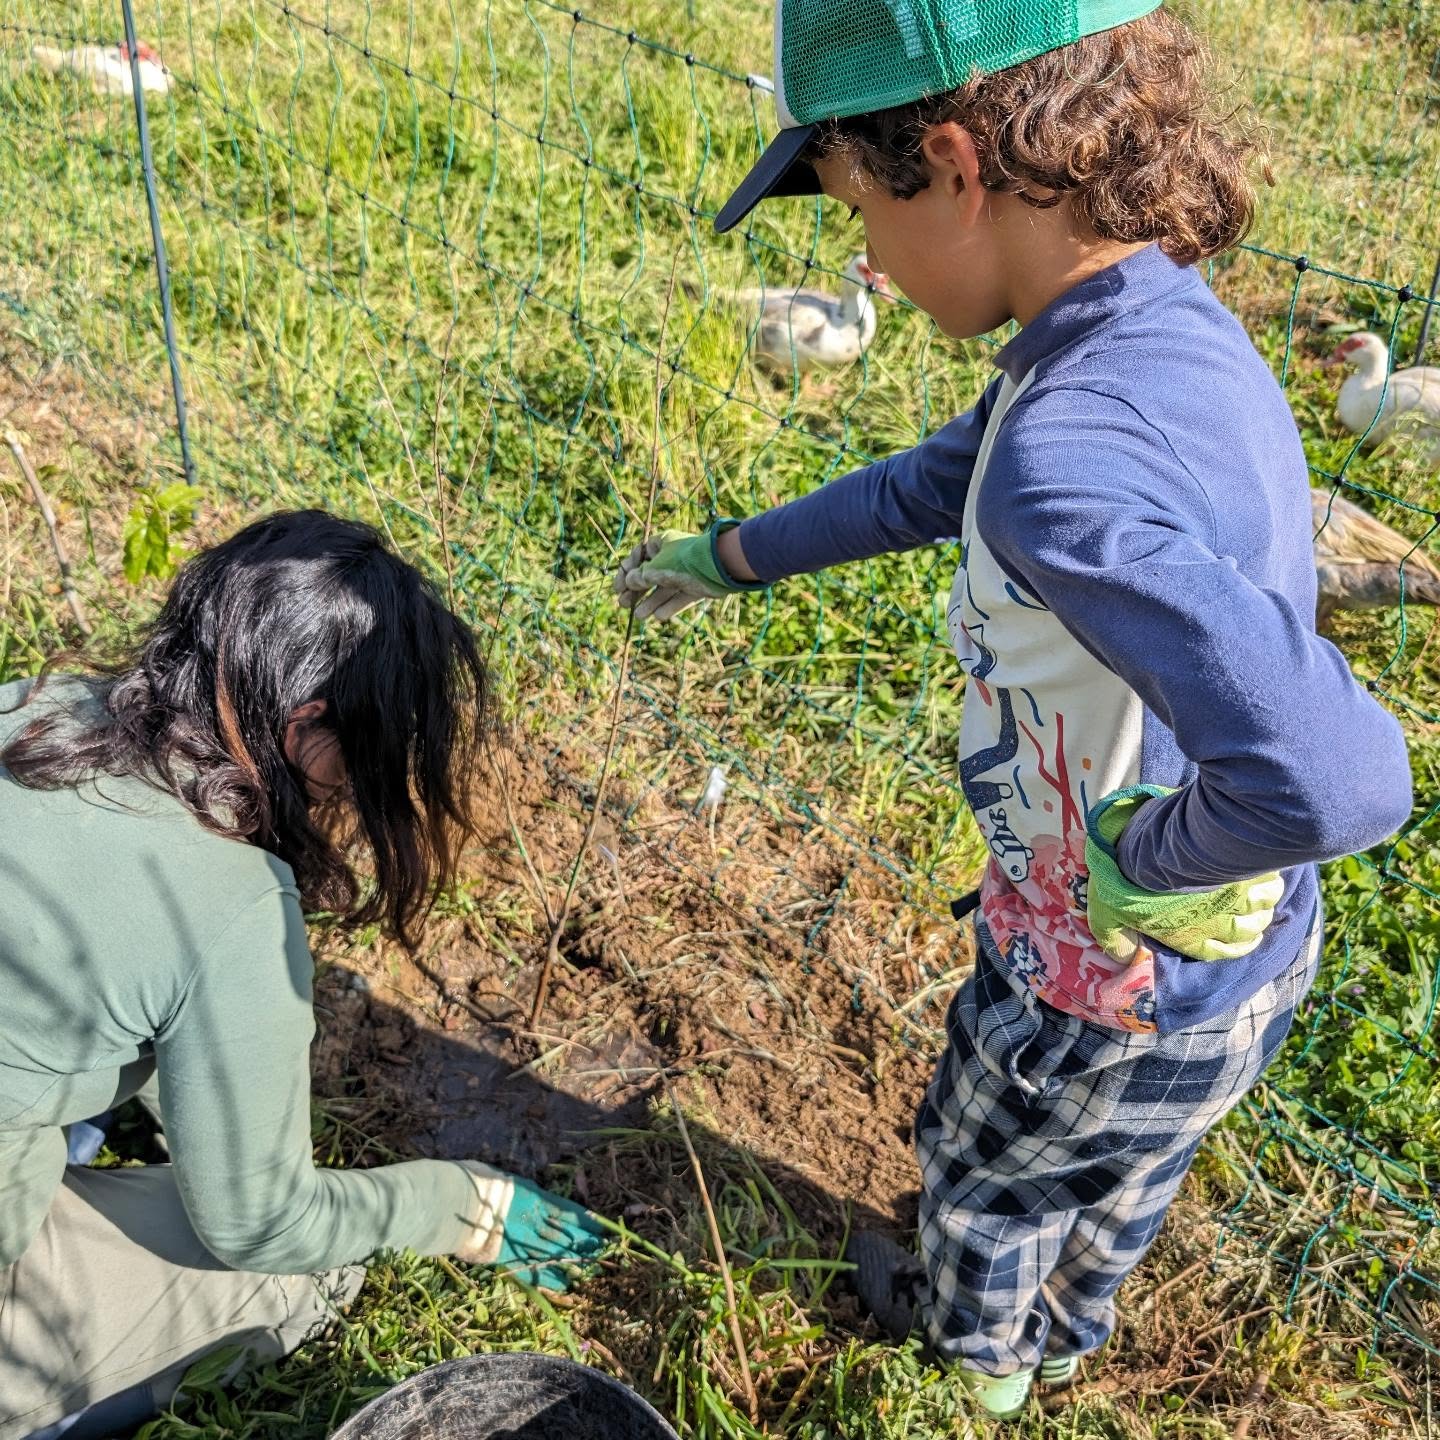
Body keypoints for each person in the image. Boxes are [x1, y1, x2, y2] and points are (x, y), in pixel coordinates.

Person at [615, 0, 1413, 1420]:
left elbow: (1345, 776)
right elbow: (936, 483)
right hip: (1241, 965)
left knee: (984, 1185)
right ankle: (1072, 1332)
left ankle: (972, 1371)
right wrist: (729, 555)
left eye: (860, 205)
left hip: (1090, 978)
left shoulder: (1068, 460)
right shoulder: (1145, 325)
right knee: (1119, 1181)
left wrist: (1134, 861)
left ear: (957, 164)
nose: (859, 257)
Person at [0, 511, 604, 1440]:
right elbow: (259, 1222)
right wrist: (460, 1207)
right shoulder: (226, 901)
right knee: (304, 1269)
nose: (361, 792)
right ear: (307, 724)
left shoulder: (31, 710)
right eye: (367, 758)